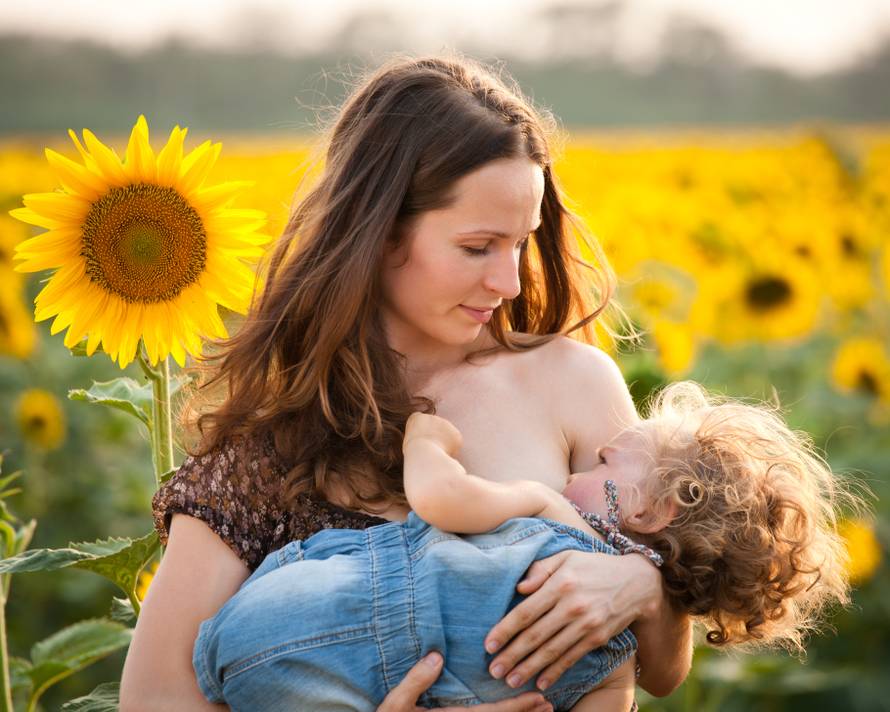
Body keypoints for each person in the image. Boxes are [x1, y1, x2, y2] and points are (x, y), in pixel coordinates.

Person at [119, 51, 693, 712]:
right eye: (477, 247)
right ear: (381, 231)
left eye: (520, 243)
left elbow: (661, 672)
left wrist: (642, 588)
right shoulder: (271, 441)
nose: (509, 282)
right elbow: (152, 699)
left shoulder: (575, 382)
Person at [189, 381, 853, 711]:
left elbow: (439, 498)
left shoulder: (552, 509)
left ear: (649, 508)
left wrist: (427, 440)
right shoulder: (616, 666)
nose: (577, 471)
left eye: (603, 464)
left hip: (284, 614)